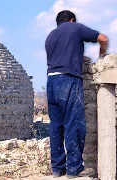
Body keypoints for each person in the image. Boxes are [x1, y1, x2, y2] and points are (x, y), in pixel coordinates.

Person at [45, 10, 108, 178]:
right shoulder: (75, 28)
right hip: (68, 81)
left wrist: (79, 57)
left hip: (51, 81)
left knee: (56, 126)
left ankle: (58, 169)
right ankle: (74, 169)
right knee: (74, 123)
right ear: (72, 20)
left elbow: (62, 56)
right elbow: (103, 39)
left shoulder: (50, 36)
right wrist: (101, 56)